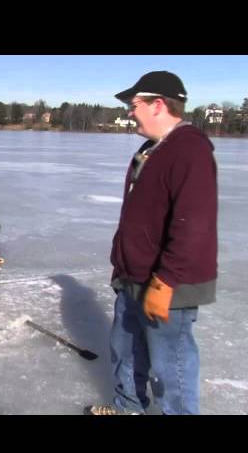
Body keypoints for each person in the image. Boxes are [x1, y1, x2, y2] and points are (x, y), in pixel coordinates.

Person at [85, 71, 218, 415]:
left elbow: (193, 223)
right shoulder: (152, 149)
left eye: (134, 105)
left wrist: (166, 280)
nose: (131, 112)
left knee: (169, 365)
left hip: (168, 283)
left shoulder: (190, 150)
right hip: (134, 276)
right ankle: (128, 407)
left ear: (158, 104)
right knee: (126, 351)